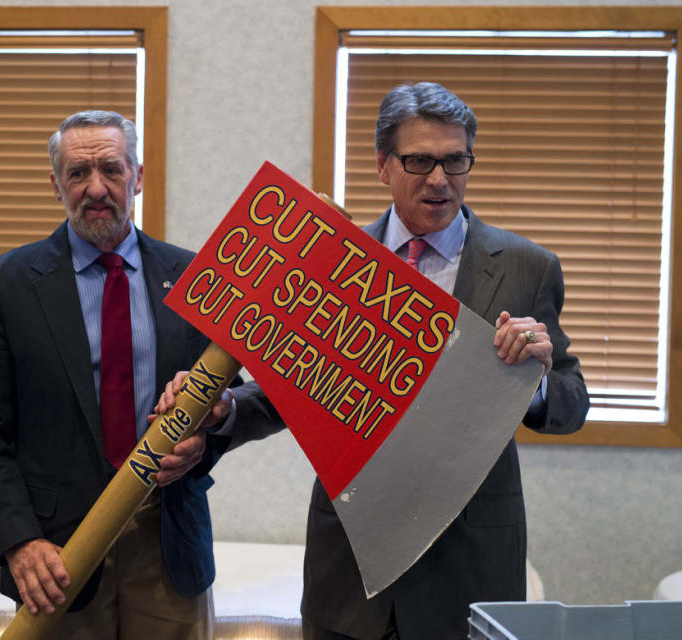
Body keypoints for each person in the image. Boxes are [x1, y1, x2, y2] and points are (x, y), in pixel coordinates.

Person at [157, 82, 590, 639]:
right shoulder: (330, 262)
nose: (439, 179)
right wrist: (224, 411)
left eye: (455, 160)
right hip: (349, 561)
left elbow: (572, 400)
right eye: (419, 160)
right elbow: (291, 384)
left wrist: (528, 382)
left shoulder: (527, 266)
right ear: (383, 165)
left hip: (469, 559)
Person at [0, 110, 231, 640]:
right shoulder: (9, 284)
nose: (96, 188)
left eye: (111, 169)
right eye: (78, 174)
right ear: (56, 184)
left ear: (138, 176)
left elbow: (221, 404)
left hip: (167, 542)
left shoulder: (193, 279)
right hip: (57, 555)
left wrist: (203, 444)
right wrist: (18, 542)